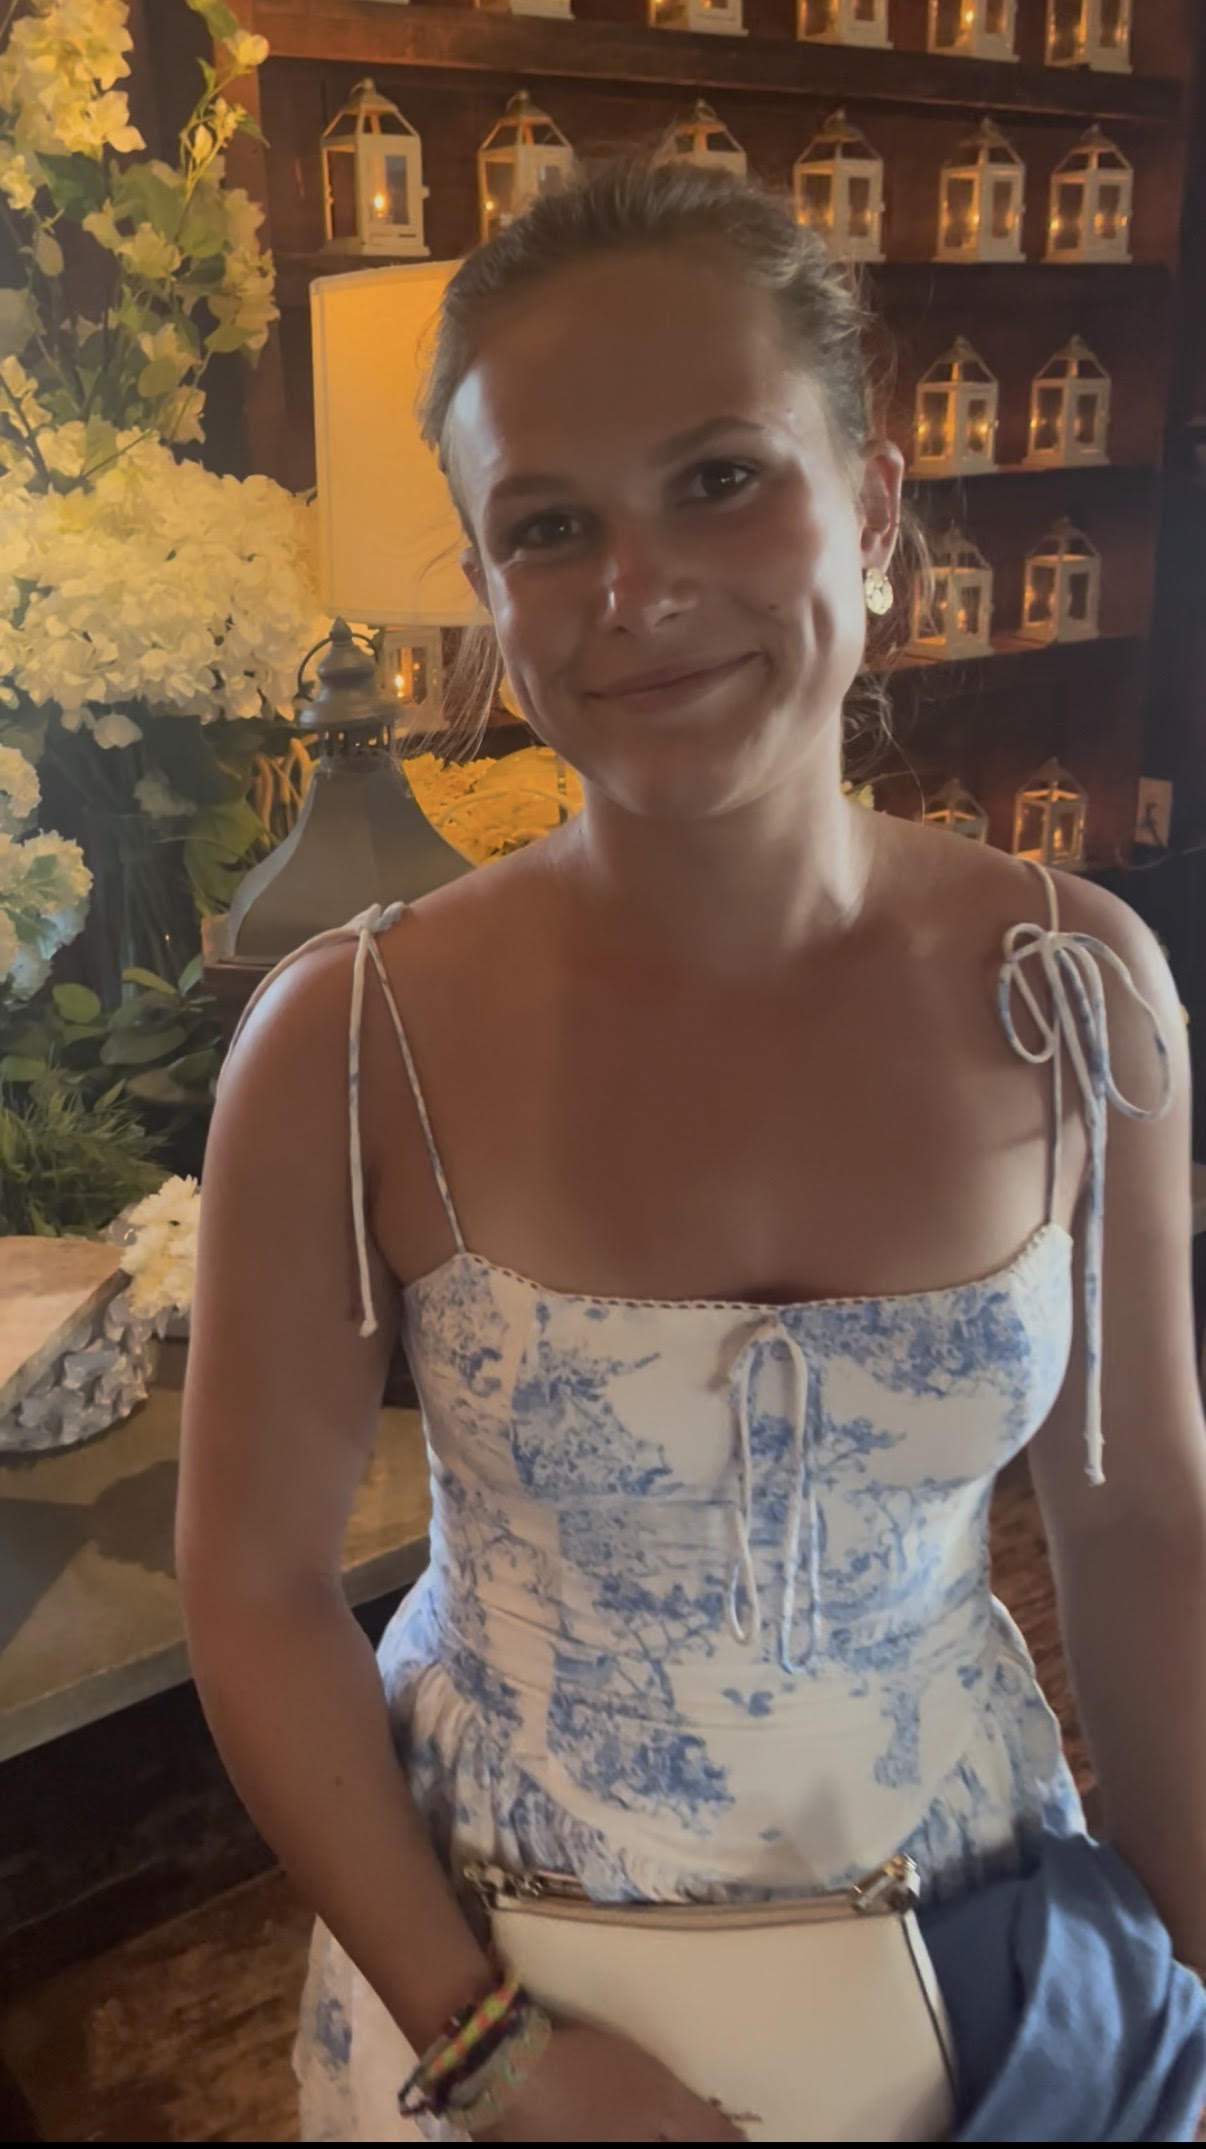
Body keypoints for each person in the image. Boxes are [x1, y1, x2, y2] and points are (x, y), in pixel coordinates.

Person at [177, 158, 1206, 2142]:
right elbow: (254, 1589)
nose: (634, 591)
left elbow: (1144, 1519)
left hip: (982, 1977)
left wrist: (1180, 1982)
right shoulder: (348, 1042)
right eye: (549, 524)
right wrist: (497, 2055)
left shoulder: (1076, 992)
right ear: (485, 588)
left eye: (720, 477)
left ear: (873, 510)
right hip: (495, 1983)